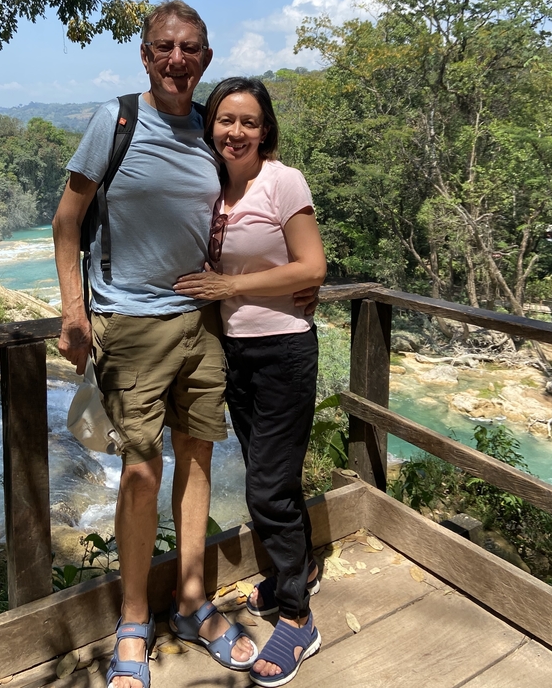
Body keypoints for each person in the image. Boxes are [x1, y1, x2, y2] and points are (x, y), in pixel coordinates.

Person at [52, 2, 259, 688]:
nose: (178, 59)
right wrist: (74, 313)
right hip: (130, 325)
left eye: (192, 49)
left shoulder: (211, 130)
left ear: (205, 58)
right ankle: (134, 621)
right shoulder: (117, 122)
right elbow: (67, 220)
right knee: (141, 472)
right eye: (165, 47)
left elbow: (245, 211)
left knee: (197, 457)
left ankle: (195, 600)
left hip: (201, 322)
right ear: (146, 55)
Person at [174, 76, 327, 687]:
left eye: (248, 121)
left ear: (266, 131)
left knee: (267, 486)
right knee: (272, 477)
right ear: (211, 127)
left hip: (285, 349)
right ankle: (297, 570)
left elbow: (311, 265)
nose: (235, 131)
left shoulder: (281, 180)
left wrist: (232, 287)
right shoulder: (213, 189)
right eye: (225, 120)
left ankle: (297, 616)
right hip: (236, 352)